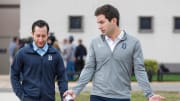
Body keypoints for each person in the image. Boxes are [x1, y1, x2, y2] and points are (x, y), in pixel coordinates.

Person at [63, 4, 165, 101]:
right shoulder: (95, 42)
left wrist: (149, 94)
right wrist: (76, 90)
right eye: (98, 23)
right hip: (98, 96)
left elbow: (139, 70)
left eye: (102, 22)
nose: (99, 26)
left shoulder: (133, 43)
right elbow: (89, 68)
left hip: (122, 97)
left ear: (113, 20)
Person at [10, 19, 68, 101]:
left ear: (48, 35)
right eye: (38, 36)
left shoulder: (55, 54)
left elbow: (62, 77)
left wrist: (64, 96)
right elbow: (14, 75)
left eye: (43, 36)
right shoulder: (22, 53)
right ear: (32, 34)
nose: (40, 39)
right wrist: (22, 96)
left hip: (49, 99)